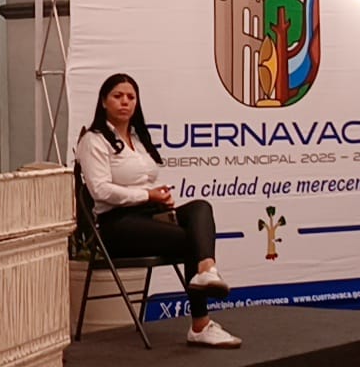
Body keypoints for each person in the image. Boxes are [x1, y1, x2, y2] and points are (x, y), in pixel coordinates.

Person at [74, 73, 241, 349]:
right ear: (103, 101)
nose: (125, 102)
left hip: (148, 215)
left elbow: (141, 180)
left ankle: (206, 269)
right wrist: (146, 195)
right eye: (118, 96)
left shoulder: (137, 138)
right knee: (191, 240)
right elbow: (100, 191)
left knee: (200, 207)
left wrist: (157, 196)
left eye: (131, 97)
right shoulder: (94, 140)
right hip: (116, 226)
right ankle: (200, 325)